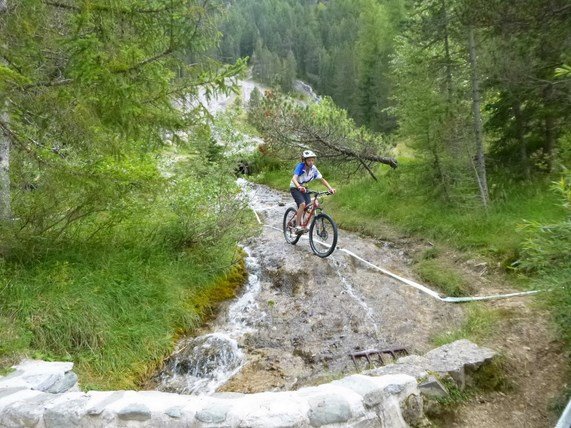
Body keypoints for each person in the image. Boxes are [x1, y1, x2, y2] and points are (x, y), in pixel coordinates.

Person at [289, 150, 336, 234]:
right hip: (295, 187)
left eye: (312, 160)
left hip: (305, 188)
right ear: (305, 160)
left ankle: (300, 222)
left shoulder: (313, 169)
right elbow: (294, 178)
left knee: (309, 206)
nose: (311, 162)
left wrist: (330, 188)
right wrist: (299, 186)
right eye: (309, 160)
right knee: (302, 204)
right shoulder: (300, 166)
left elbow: (322, 179)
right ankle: (297, 226)